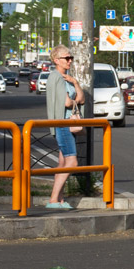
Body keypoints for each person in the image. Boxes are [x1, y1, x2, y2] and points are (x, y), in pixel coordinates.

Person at [43, 47, 84, 210]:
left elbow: (82, 99)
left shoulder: (66, 78)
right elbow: (67, 102)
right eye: (66, 58)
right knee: (72, 162)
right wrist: (75, 101)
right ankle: (53, 199)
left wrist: (75, 83)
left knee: (62, 163)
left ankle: (59, 199)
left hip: (66, 123)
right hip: (64, 123)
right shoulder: (57, 77)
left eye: (70, 57)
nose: (70, 61)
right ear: (56, 60)